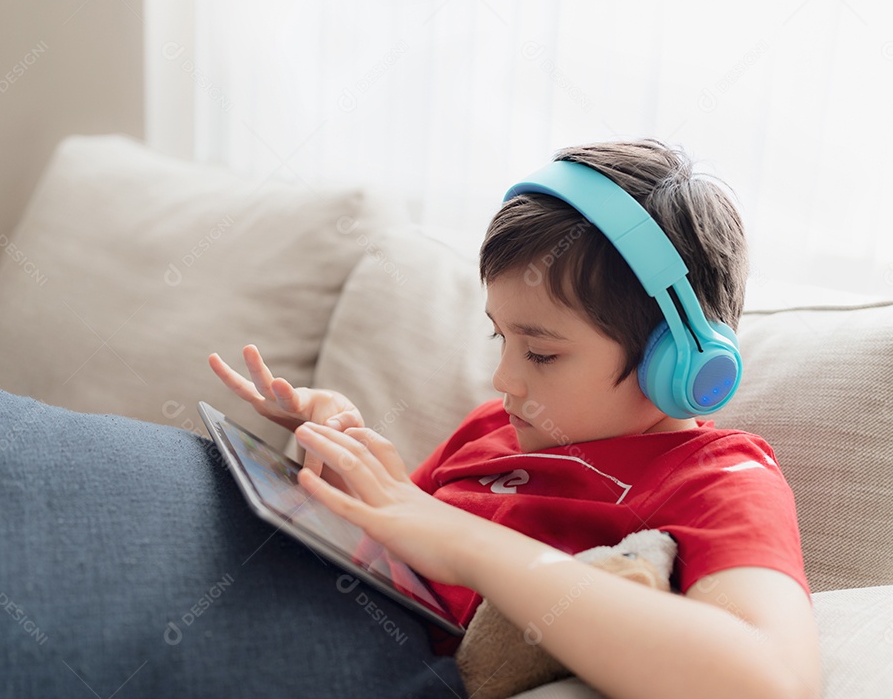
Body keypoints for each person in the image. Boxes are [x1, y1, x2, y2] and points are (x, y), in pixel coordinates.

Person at [208, 139, 822, 699]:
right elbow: (394, 573)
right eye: (499, 337)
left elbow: (770, 683)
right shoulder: (489, 431)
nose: (503, 379)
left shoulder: (720, 481)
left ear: (681, 364)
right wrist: (340, 457)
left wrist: (471, 547)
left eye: (542, 353)